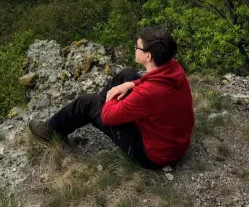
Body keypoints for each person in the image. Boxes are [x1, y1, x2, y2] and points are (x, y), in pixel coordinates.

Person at [28, 27, 194, 169]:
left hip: (153, 155)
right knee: (127, 74)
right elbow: (152, 83)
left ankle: (51, 131)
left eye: (137, 47)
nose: (134, 48)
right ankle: (92, 111)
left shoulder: (148, 93)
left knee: (87, 102)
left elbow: (108, 117)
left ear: (148, 56)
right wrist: (131, 84)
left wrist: (110, 98)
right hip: (174, 143)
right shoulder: (174, 69)